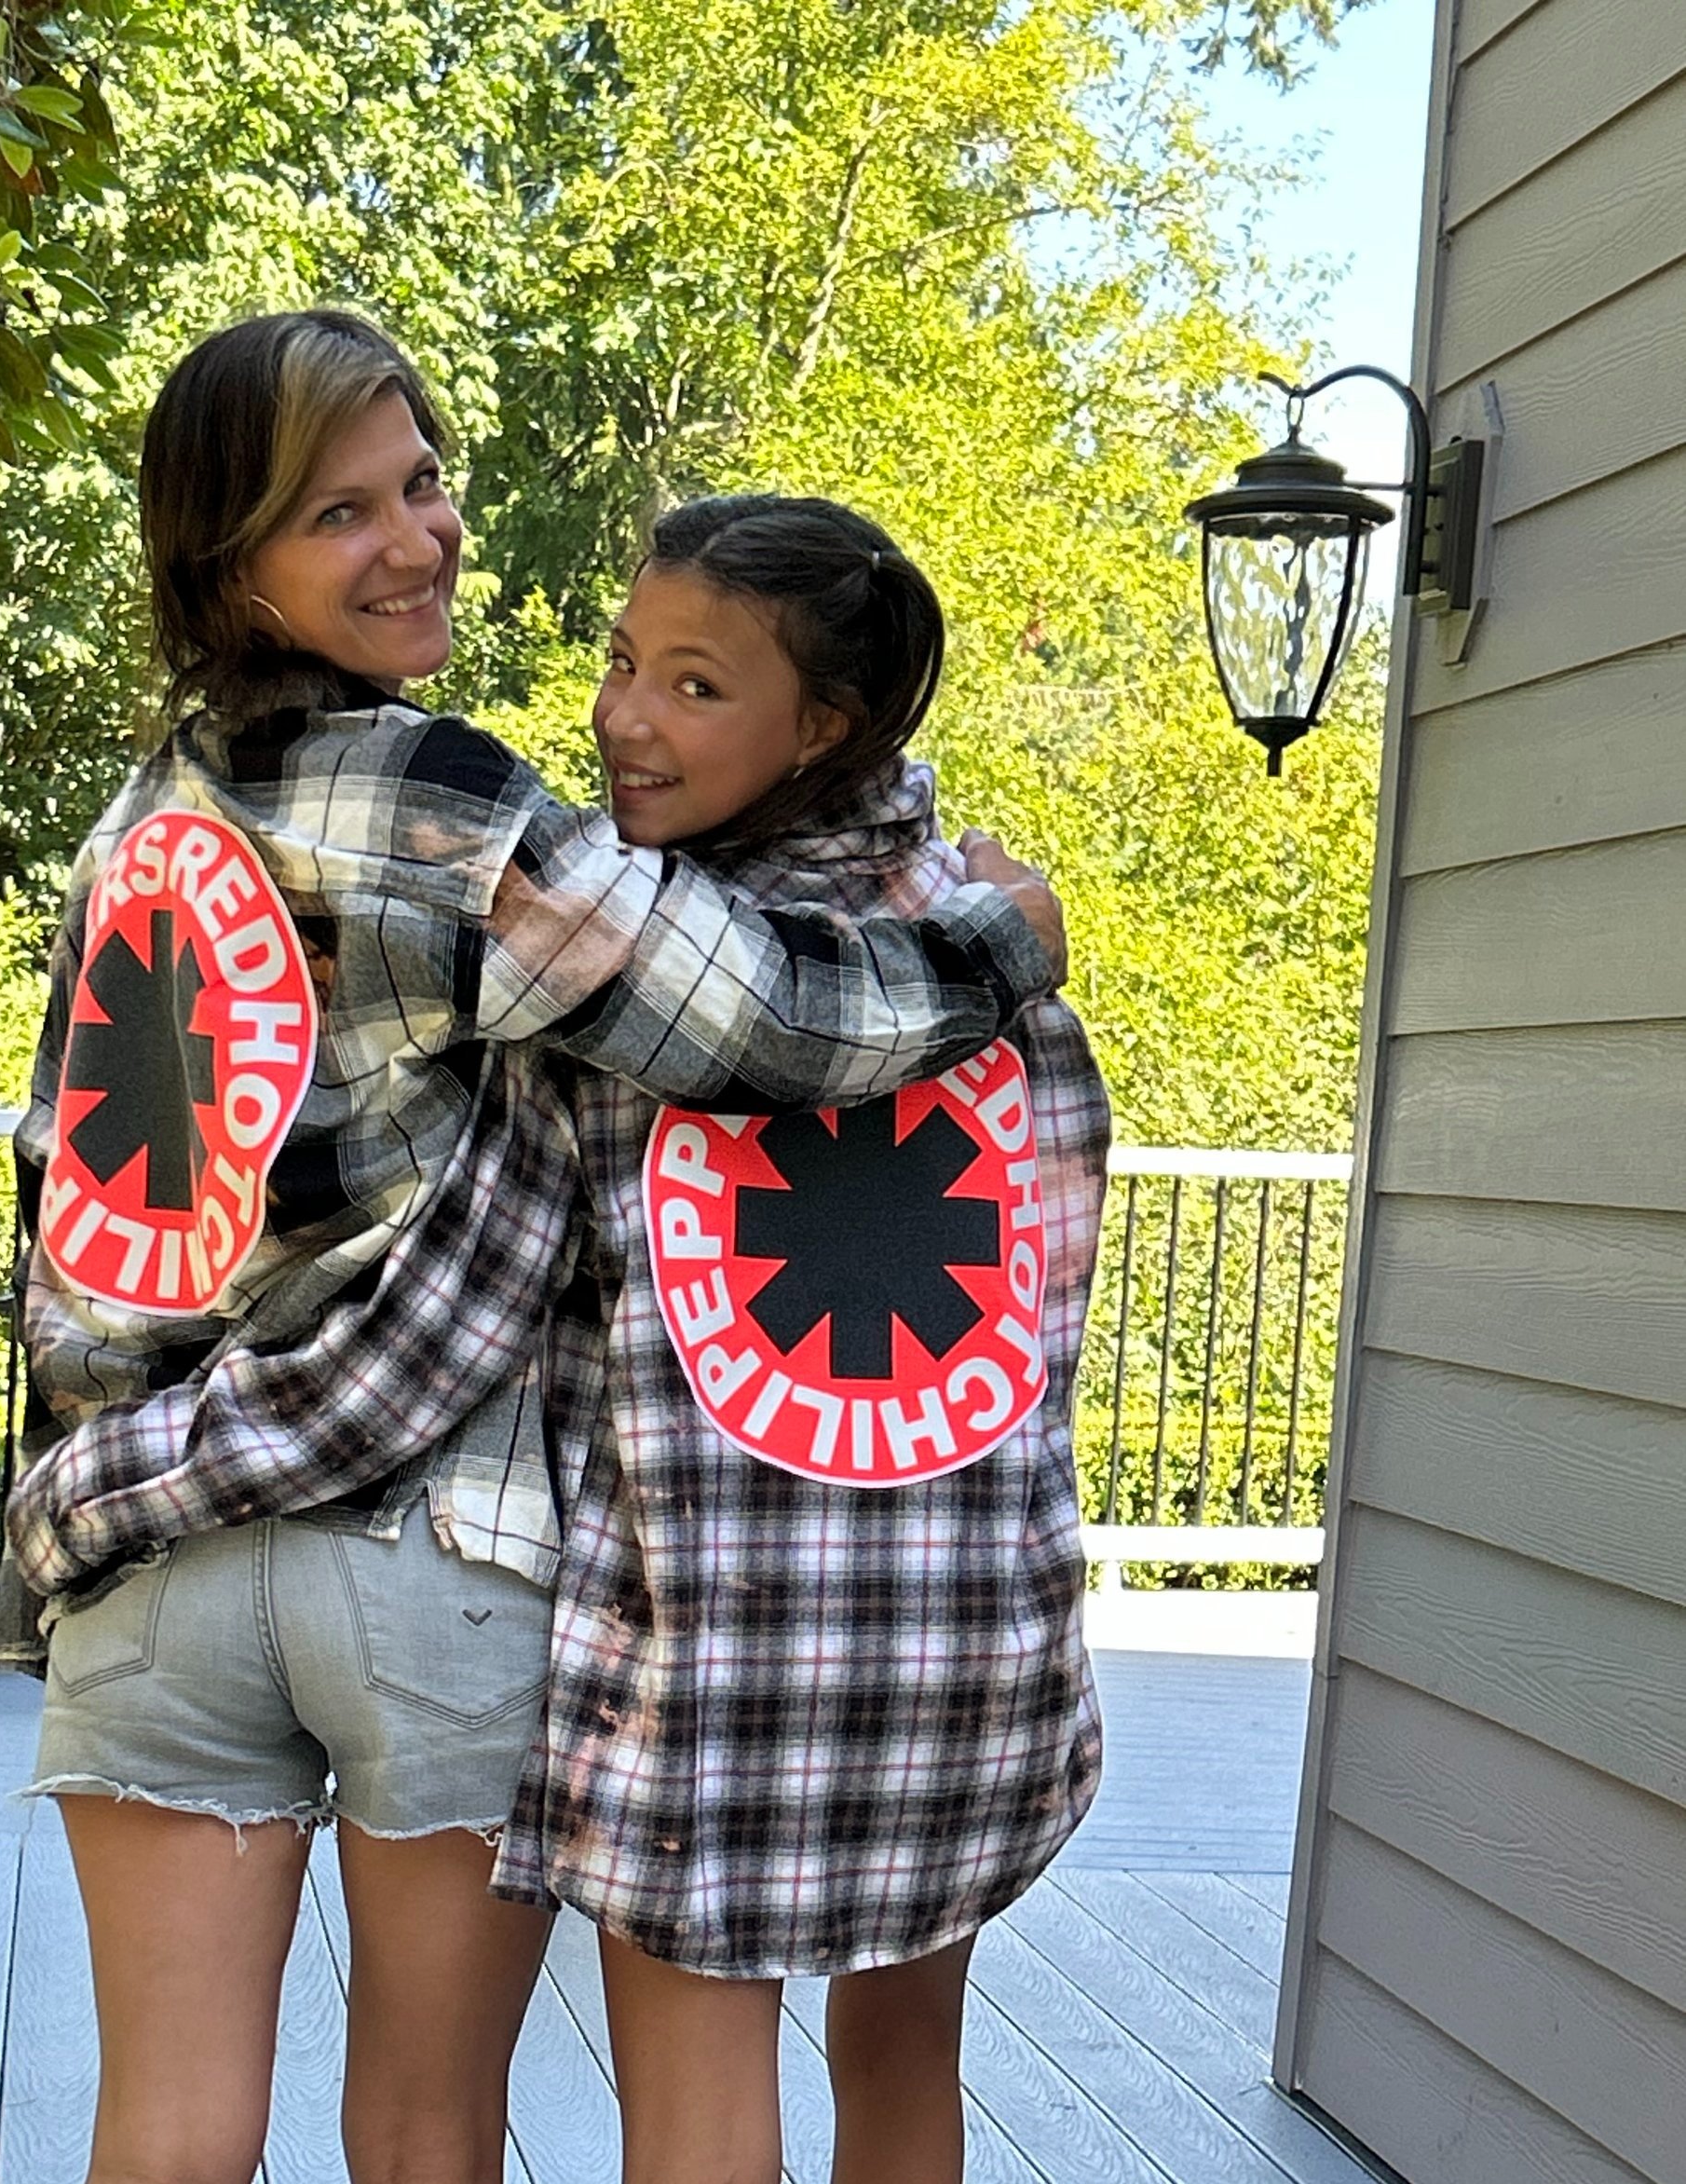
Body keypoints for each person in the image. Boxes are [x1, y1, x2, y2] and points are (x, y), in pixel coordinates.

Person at [0, 309, 1067, 2184]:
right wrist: (994, 941)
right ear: (224, 558)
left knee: (162, 2131)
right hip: (431, 1527)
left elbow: (82, 1192)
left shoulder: (132, 826)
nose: (413, 538)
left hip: (147, 1528)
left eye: (418, 482)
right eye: (339, 513)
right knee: (425, 2122)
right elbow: (755, 1020)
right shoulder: (431, 790)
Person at [494, 497, 1110, 2184]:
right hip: (970, 1644)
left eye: (694, 686)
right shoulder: (1000, 941)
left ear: (821, 725)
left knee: (697, 2121)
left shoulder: (633, 966)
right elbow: (1043, 1297)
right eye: (625, 662)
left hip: (713, 1655)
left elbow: (528, 1305)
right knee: (909, 2065)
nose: (623, 715)